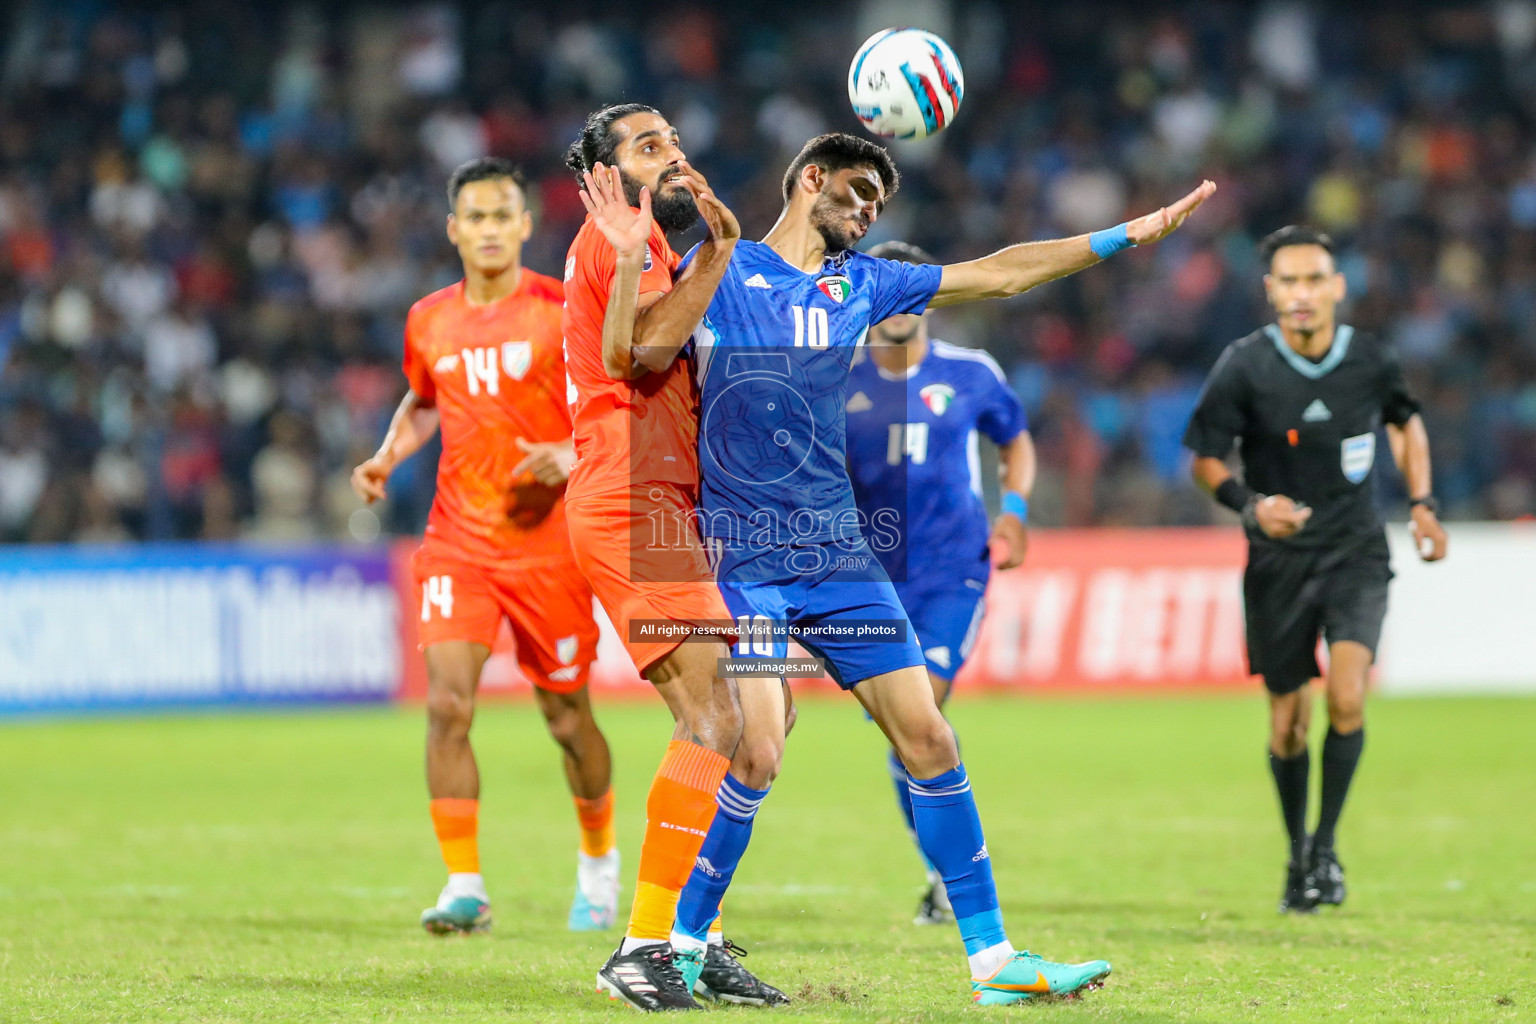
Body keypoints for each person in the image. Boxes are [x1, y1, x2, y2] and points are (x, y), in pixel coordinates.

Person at [590, 130, 1213, 1006]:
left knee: (930, 737)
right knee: (756, 747)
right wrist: (647, 265)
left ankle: (996, 964)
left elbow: (1000, 272)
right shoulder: (721, 266)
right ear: (810, 181)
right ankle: (679, 943)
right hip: (741, 557)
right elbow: (639, 355)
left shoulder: (865, 283)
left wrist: (1127, 234)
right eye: (855, 193)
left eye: (879, 202)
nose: (868, 211)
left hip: (840, 558)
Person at [350, 158, 617, 936]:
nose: (492, 229)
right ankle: (464, 884)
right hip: (457, 542)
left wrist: (573, 454)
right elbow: (424, 398)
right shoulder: (428, 318)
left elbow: (614, 405)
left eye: (505, 214)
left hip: (549, 547)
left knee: (567, 719)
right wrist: (386, 454)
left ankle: (597, 865)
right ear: (454, 230)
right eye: (477, 216)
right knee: (446, 706)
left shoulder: (565, 309)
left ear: (526, 224)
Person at [561, 104, 784, 1010]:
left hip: (659, 504)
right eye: (651, 148)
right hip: (627, 502)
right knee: (715, 721)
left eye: (677, 141)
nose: (678, 156)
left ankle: (695, 938)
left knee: (745, 729)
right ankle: (648, 944)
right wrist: (722, 255)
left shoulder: (647, 246)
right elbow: (639, 353)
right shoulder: (619, 240)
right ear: (609, 175)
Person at [1182, 225, 1449, 913]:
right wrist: (1250, 505)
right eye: (1289, 282)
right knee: (1288, 725)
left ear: (1337, 286)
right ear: (1271, 292)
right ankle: (1296, 851)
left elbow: (1405, 420)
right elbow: (1206, 458)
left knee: (1350, 698)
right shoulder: (1243, 365)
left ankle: (1325, 849)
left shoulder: (1370, 359)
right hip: (1278, 562)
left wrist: (1421, 502)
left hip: (1357, 551)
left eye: (1314, 279)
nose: (1302, 294)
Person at [843, 240, 1035, 927]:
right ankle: (939, 866)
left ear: (923, 298)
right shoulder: (835, 375)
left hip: (954, 568)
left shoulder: (970, 372)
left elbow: (1014, 438)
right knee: (905, 729)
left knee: (925, 703)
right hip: (868, 577)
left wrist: (1012, 514)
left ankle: (944, 875)